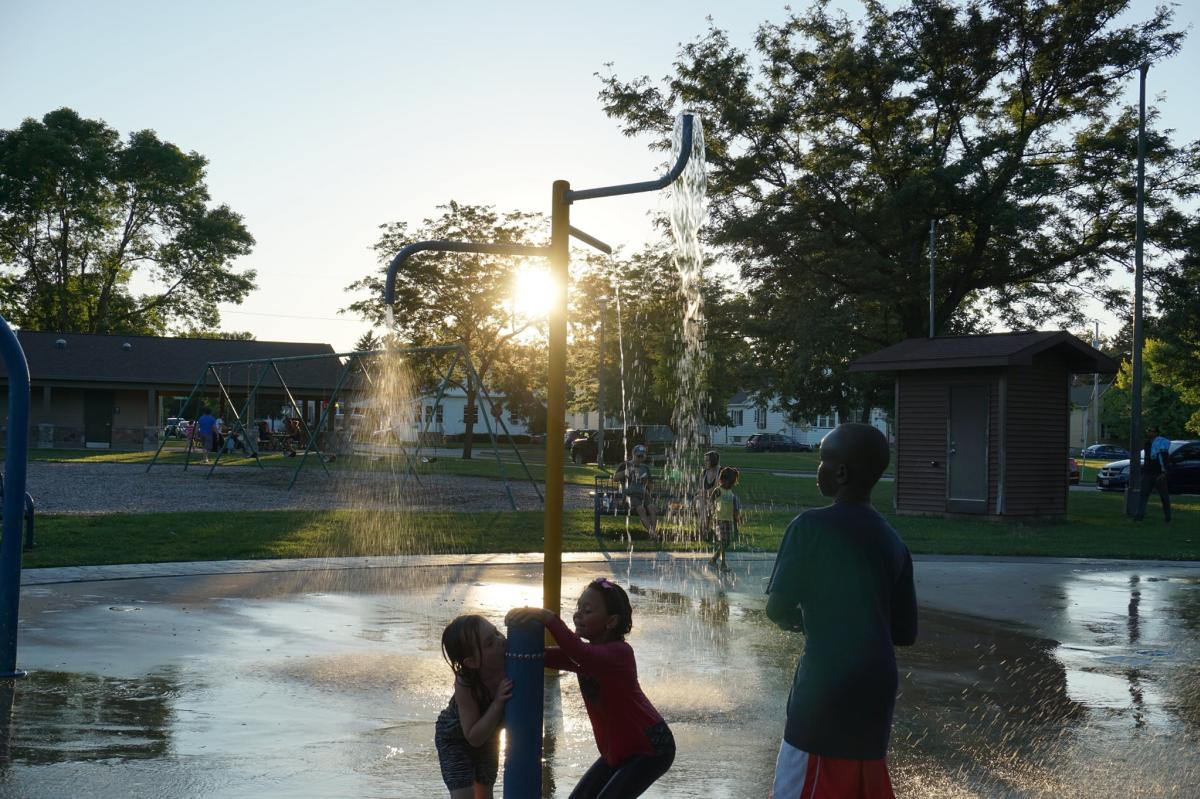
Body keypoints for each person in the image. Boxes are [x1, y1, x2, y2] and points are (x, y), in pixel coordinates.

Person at [765, 423, 917, 799]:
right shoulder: (893, 540)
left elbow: (777, 607)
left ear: (842, 473)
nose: (819, 469)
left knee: (802, 785)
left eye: (823, 461)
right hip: (876, 692)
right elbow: (904, 632)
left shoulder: (810, 527)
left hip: (825, 691)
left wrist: (809, 624)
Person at [507, 578, 674, 798]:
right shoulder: (589, 656)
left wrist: (548, 618)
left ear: (611, 621)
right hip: (619, 750)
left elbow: (579, 654)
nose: (578, 615)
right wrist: (508, 647)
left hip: (650, 748)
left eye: (587, 610)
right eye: (578, 609)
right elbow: (553, 656)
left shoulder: (619, 653)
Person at [435, 615, 513, 799]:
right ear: (472, 662)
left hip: (489, 736)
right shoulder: (466, 683)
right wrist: (498, 703)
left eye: (496, 632)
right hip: (455, 740)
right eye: (489, 643)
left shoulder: (512, 663)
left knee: (484, 794)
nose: (500, 640)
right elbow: (474, 737)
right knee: (464, 795)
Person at [614, 444, 657, 539]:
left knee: (652, 508)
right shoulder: (625, 465)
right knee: (641, 509)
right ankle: (652, 533)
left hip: (643, 494)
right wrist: (627, 471)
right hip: (630, 495)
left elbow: (651, 487)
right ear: (633, 454)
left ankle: (653, 531)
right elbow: (615, 478)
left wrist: (645, 481)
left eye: (642, 456)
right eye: (638, 456)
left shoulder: (645, 468)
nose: (640, 458)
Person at [1134, 425, 1172, 523]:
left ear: (1156, 433)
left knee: (1164, 497)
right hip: (1147, 473)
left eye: (1151, 431)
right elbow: (1147, 458)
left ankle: (1168, 518)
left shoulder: (1161, 443)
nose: (1148, 432)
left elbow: (1165, 459)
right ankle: (1139, 517)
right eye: (1148, 430)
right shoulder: (1147, 444)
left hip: (1159, 474)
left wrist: (1164, 473)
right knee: (1143, 495)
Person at [708, 466, 742, 572]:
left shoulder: (731, 494)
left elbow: (734, 512)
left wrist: (736, 527)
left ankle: (713, 559)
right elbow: (711, 501)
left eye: (731, 483)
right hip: (719, 519)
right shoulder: (718, 490)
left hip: (729, 521)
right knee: (723, 541)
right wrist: (710, 516)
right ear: (722, 480)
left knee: (727, 542)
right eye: (728, 482)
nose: (729, 485)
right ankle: (723, 564)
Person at [698, 450, 720, 537]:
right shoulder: (704, 472)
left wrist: (707, 494)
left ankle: (704, 530)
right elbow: (701, 489)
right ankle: (705, 530)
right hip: (705, 499)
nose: (705, 462)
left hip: (718, 499)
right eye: (705, 460)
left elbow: (719, 489)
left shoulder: (720, 472)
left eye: (707, 460)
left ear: (713, 461)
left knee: (707, 504)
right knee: (700, 501)